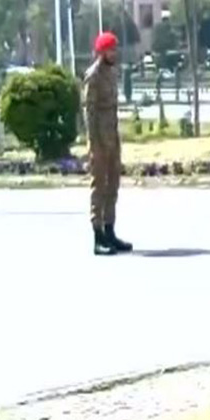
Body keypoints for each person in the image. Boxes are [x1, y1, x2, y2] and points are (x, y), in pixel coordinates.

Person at [83, 31, 132, 256]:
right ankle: (98, 236)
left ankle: (110, 231)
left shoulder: (112, 73)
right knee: (99, 187)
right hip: (99, 141)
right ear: (102, 52)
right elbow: (90, 112)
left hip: (112, 136)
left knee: (113, 185)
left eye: (115, 49)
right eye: (111, 49)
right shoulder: (93, 76)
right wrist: (94, 144)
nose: (115, 53)